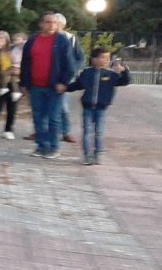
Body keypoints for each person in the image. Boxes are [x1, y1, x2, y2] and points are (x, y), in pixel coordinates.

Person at [19, 11, 75, 159]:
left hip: (54, 87)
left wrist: (63, 82)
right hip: (35, 86)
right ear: (41, 24)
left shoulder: (61, 40)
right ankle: (41, 146)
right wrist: (23, 83)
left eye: (54, 23)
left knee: (54, 118)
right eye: (48, 22)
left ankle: (54, 147)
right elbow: (25, 63)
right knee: (38, 118)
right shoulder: (32, 40)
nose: (51, 25)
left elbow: (69, 65)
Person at [67, 47, 130, 165]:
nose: (107, 60)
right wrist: (65, 88)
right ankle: (87, 155)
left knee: (99, 132)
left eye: (108, 58)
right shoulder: (86, 73)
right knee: (87, 131)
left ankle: (97, 154)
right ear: (94, 59)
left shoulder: (110, 74)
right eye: (104, 58)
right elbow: (77, 85)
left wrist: (124, 71)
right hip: (87, 107)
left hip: (101, 108)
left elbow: (124, 82)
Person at [54, 13, 84, 144]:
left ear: (62, 25)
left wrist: (73, 70)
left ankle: (65, 132)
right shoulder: (45, 37)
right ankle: (41, 130)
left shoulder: (70, 38)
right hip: (47, 76)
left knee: (63, 106)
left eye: (55, 23)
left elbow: (80, 57)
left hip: (63, 78)